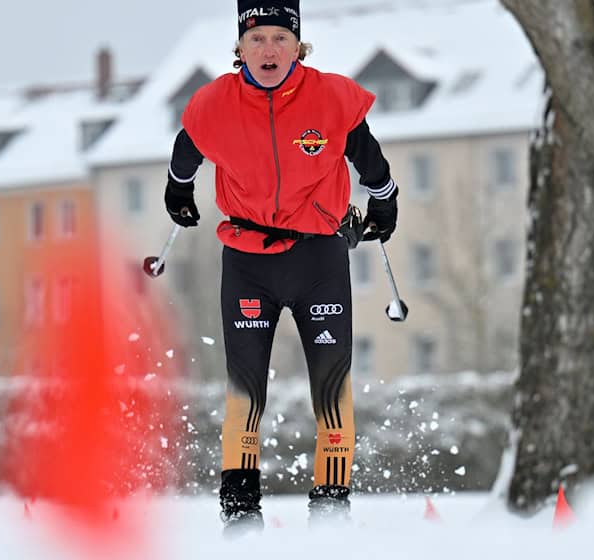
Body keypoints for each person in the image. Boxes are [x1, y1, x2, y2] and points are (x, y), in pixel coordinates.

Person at [163, 0, 398, 534]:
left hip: (319, 258)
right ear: (240, 47)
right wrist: (178, 192)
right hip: (247, 261)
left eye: (280, 39)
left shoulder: (331, 97)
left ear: (298, 45)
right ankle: (241, 517)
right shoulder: (213, 103)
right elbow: (186, 150)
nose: (269, 50)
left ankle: (331, 512)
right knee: (244, 389)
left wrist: (384, 201)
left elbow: (368, 155)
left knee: (331, 388)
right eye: (257, 39)